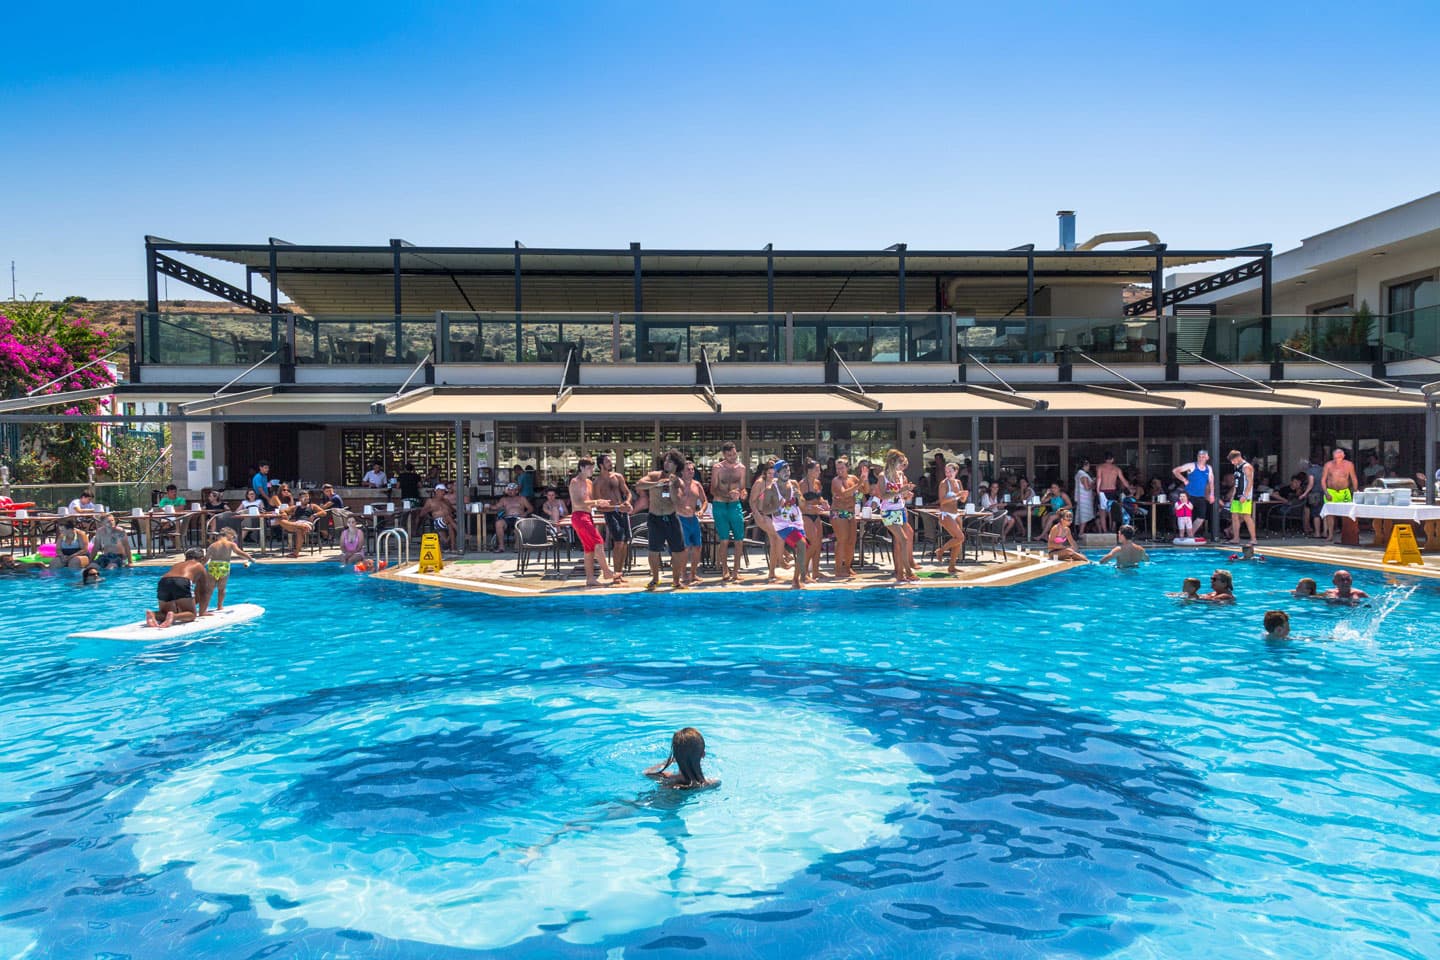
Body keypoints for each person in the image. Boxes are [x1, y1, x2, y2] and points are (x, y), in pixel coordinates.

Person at [636, 449, 688, 590]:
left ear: (676, 465)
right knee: (653, 550)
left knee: (678, 551)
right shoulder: (654, 476)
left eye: (670, 461)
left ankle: (676, 580)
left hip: (671, 517)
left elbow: (677, 501)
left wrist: (671, 486)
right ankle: (655, 579)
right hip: (655, 518)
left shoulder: (678, 482)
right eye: (665, 460)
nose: (666, 463)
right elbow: (639, 484)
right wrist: (656, 484)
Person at [569, 458, 624, 588]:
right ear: (581, 468)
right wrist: (596, 502)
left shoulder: (589, 482)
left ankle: (590, 579)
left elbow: (592, 500)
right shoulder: (575, 482)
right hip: (579, 516)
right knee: (598, 542)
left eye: (592, 468)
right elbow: (577, 503)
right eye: (589, 468)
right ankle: (606, 571)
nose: (592, 471)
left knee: (589, 550)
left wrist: (602, 502)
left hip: (588, 515)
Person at [764, 459, 809, 589]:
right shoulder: (771, 489)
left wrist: (799, 496)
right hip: (782, 525)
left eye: (788, 470)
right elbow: (765, 509)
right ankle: (802, 576)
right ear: (777, 473)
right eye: (784, 470)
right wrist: (776, 507)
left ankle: (795, 581)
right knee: (801, 544)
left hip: (797, 522)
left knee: (803, 547)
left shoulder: (794, 484)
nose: (787, 472)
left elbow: (803, 505)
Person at [710, 442, 749, 583]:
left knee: (739, 540)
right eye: (729, 455)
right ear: (724, 455)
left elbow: (743, 488)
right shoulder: (717, 468)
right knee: (724, 540)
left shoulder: (742, 468)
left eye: (734, 453)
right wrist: (728, 494)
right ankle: (725, 569)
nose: (733, 457)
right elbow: (713, 490)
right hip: (720, 505)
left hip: (734, 505)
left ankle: (736, 571)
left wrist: (743, 494)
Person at [878, 449, 917, 584]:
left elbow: (901, 496)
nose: (902, 465)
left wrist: (907, 493)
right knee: (904, 539)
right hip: (888, 512)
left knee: (901, 542)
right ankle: (908, 571)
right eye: (900, 462)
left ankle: (900, 573)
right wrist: (900, 491)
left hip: (900, 510)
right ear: (893, 461)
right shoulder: (883, 476)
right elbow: (883, 496)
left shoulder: (901, 475)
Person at [145, 549, 210, 628]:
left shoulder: (177, 564)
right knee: (192, 614)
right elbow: (204, 591)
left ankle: (153, 614)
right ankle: (174, 617)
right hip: (182, 581)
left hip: (163, 581)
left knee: (165, 613)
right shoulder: (200, 566)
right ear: (202, 559)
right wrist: (202, 612)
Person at [594, 454, 634, 578]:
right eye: (608, 462)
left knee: (626, 542)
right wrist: (616, 507)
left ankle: (620, 573)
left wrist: (627, 501)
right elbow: (599, 506)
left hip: (622, 511)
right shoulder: (597, 482)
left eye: (611, 461)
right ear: (601, 465)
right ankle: (616, 574)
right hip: (610, 513)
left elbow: (628, 493)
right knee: (618, 542)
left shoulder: (618, 477)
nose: (611, 463)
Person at [643, 727, 718, 790]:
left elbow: (646, 772)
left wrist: (667, 762)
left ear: (675, 756)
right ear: (703, 754)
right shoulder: (712, 784)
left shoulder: (668, 778)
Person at [828, 456, 863, 580]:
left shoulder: (853, 478)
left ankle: (847, 567)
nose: (839, 471)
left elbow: (866, 490)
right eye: (837, 469)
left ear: (847, 468)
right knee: (842, 540)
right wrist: (859, 484)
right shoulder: (835, 480)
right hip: (838, 512)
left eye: (842, 468)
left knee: (851, 541)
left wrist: (865, 478)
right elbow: (843, 494)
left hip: (850, 512)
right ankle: (838, 569)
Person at [750, 461, 785, 583]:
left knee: (774, 543)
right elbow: (752, 501)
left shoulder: (775, 482)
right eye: (769, 473)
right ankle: (782, 560)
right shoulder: (760, 483)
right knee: (779, 535)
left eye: (773, 473)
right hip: (762, 514)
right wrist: (757, 515)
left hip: (773, 515)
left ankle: (772, 573)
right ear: (764, 472)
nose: (771, 475)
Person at [205, 526, 254, 610]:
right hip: (224, 566)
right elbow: (239, 553)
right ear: (229, 535)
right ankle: (220, 606)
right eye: (233, 537)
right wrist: (250, 558)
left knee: (210, 589)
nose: (234, 539)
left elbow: (206, 559)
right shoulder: (230, 544)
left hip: (213, 566)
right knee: (222, 588)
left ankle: (204, 607)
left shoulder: (212, 545)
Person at [797, 459, 830, 582]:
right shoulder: (802, 484)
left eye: (819, 469)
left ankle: (815, 571)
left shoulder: (817, 483)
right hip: (806, 515)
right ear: (809, 471)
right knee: (812, 544)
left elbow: (818, 497)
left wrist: (823, 502)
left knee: (818, 544)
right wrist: (811, 507)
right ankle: (803, 572)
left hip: (816, 515)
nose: (819, 471)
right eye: (817, 469)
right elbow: (799, 504)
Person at [677, 460, 708, 586]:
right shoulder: (676, 484)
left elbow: (704, 501)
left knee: (697, 547)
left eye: (692, 469)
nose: (691, 472)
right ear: (682, 472)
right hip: (681, 518)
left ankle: (693, 573)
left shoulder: (697, 484)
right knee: (685, 548)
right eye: (688, 470)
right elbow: (668, 499)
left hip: (693, 518)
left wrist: (701, 510)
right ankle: (683, 574)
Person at [934, 461, 968, 574]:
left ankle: (952, 566)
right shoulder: (943, 483)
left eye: (950, 471)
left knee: (958, 541)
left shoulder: (958, 482)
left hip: (955, 513)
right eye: (946, 471)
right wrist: (957, 496)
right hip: (945, 514)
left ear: (956, 471)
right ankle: (941, 550)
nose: (947, 473)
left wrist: (964, 496)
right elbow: (942, 501)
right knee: (960, 537)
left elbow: (962, 500)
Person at [1171, 450, 1214, 538]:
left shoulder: (1209, 468)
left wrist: (1211, 494)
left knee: (1201, 517)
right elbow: (1175, 471)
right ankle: (1183, 535)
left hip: (1201, 496)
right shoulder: (1191, 465)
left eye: (1203, 457)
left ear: (1207, 458)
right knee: (1185, 516)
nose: (1201, 459)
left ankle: (1190, 534)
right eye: (1199, 457)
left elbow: (1211, 482)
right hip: (1189, 495)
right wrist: (1184, 480)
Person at [1320, 448, 1359, 541]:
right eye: (1336, 455)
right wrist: (1326, 492)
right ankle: (1330, 534)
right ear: (1333, 456)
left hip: (1344, 491)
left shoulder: (1349, 465)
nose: (1338, 457)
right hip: (1331, 491)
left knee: (1348, 514)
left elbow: (1353, 478)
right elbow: (1323, 480)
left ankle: (1348, 534)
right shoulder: (1328, 465)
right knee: (1329, 514)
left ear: (1343, 456)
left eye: (1340, 455)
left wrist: (1355, 490)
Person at [277, 490, 327, 557]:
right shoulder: (295, 507)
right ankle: (296, 553)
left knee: (299, 530)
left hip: (308, 524)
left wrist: (314, 515)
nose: (306, 498)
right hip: (297, 524)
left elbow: (324, 513)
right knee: (280, 520)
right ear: (300, 499)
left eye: (307, 497)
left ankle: (296, 553)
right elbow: (282, 510)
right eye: (304, 497)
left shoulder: (312, 506)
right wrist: (284, 513)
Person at [1095, 453, 1131, 534]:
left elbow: (1099, 478)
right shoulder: (1116, 469)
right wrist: (1129, 488)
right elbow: (1123, 480)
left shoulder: (1100, 467)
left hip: (1102, 491)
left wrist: (1097, 490)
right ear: (1112, 459)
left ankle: (1105, 531)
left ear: (1105, 459)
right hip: (1112, 491)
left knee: (1102, 512)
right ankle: (1112, 528)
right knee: (1112, 511)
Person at [1227, 450, 1256, 546]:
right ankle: (1236, 538)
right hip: (1237, 494)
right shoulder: (1237, 467)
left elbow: (1250, 482)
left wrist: (1245, 495)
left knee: (1246, 516)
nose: (1232, 463)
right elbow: (1236, 484)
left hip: (1245, 496)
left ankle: (1253, 539)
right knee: (1234, 516)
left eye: (1233, 460)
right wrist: (1232, 496)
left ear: (1238, 457)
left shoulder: (1247, 467)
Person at [492, 483, 533, 551]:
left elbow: (530, 508)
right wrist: (488, 506)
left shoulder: (522, 498)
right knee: (498, 523)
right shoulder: (504, 499)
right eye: (509, 490)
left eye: (512, 490)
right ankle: (501, 546)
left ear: (517, 491)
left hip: (519, 517)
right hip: (508, 518)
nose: (510, 492)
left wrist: (525, 513)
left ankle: (517, 546)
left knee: (518, 523)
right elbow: (496, 507)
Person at [418, 485, 457, 552]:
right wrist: (430, 510)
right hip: (438, 521)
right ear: (436, 491)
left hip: (449, 521)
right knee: (449, 520)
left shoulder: (446, 501)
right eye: (441, 491)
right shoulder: (430, 501)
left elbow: (453, 511)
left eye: (444, 491)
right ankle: (461, 533)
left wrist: (449, 508)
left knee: (450, 523)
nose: (443, 493)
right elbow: (422, 514)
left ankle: (452, 548)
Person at [1073, 458, 1097, 533]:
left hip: (1080, 498)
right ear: (1085, 465)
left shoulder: (1078, 474)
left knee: (1081, 515)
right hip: (1085, 498)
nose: (1089, 467)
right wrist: (1093, 483)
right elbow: (1087, 487)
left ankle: (1080, 531)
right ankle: (1081, 532)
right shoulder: (1083, 475)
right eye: (1088, 465)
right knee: (1085, 515)